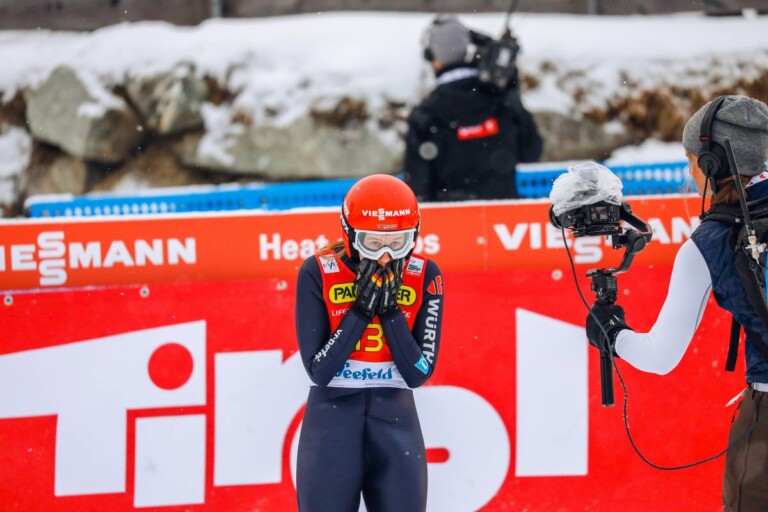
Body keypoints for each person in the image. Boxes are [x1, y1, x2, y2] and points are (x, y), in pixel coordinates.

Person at [586, 95, 768, 511]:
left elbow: (661, 356)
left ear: (711, 164)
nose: (689, 172)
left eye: (691, 160)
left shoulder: (712, 241)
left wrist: (612, 335)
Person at [294, 173, 444, 512]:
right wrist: (360, 311)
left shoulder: (426, 275)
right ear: (349, 235)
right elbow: (320, 370)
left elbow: (418, 372)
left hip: (396, 421)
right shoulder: (317, 271)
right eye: (373, 244)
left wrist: (390, 313)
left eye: (399, 242)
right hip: (331, 422)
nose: (386, 257)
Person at [403, 15, 543, 202]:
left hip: (451, 223)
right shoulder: (502, 99)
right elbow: (532, 151)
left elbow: (418, 189)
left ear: (432, 58)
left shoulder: (425, 115)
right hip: (506, 220)